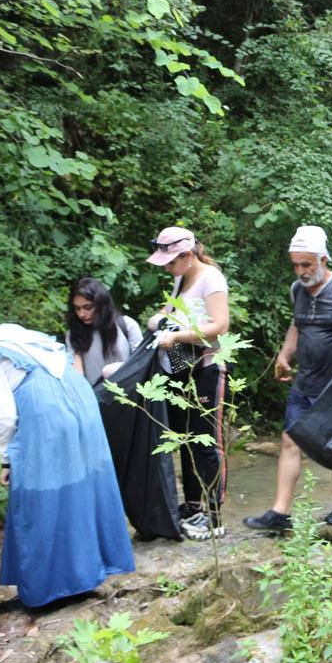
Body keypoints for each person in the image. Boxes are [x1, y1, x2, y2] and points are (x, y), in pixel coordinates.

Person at [0, 301, 135, 610]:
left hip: (46, 412)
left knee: (36, 499)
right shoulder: (14, 334)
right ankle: (82, 578)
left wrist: (6, 459)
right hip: (80, 398)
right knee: (79, 489)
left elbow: (4, 415)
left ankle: (47, 591)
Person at [244, 226, 332, 532]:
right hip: (306, 382)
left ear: (324, 259)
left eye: (307, 265)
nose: (301, 271)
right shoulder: (297, 291)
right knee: (290, 440)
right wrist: (284, 356)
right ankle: (280, 513)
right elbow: (297, 325)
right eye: (296, 265)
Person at [144, 226, 231, 541]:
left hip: (207, 367)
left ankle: (215, 516)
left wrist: (177, 334)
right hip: (180, 367)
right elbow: (169, 313)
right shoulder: (181, 278)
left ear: (187, 255)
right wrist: (160, 321)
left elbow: (220, 325)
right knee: (185, 438)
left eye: (169, 263)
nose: (167, 269)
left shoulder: (211, 278)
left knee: (207, 440)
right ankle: (194, 505)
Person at [65, 277, 143, 385]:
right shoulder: (73, 334)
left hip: (129, 394)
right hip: (95, 397)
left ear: (100, 304)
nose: (82, 314)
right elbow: (75, 374)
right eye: (77, 308)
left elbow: (142, 363)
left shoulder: (127, 325)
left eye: (87, 307)